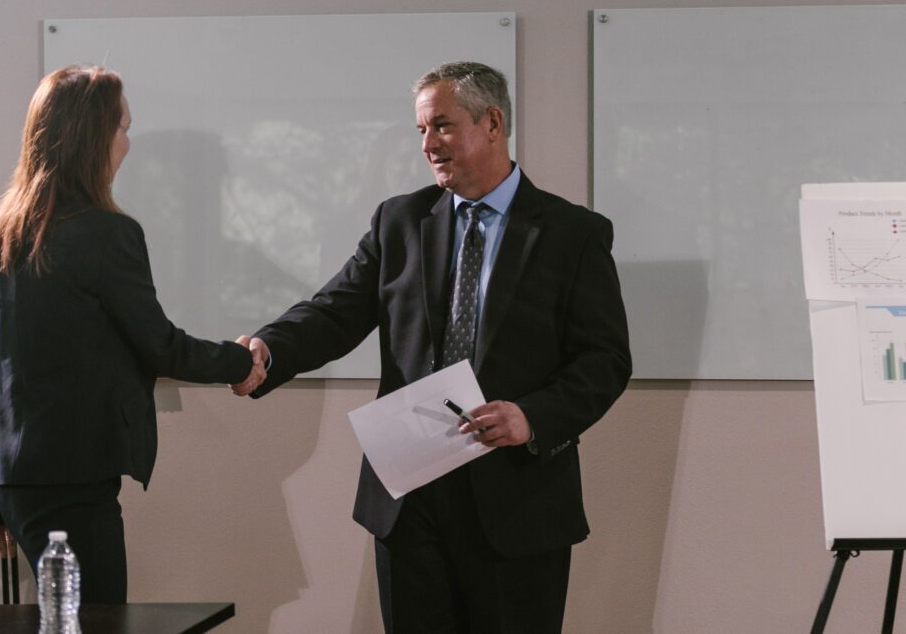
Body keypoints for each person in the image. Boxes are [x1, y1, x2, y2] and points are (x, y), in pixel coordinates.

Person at [235, 62, 632, 632]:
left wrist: (532, 417)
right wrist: (267, 350)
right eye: (421, 130)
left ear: (492, 123)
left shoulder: (573, 234)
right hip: (410, 500)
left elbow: (606, 359)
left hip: (515, 501)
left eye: (441, 126)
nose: (428, 144)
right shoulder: (400, 221)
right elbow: (334, 311)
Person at [0, 64, 264, 604]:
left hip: (17, 480)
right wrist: (242, 363)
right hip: (74, 479)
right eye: (123, 127)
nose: (128, 142)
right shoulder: (107, 233)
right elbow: (160, 345)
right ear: (92, 136)